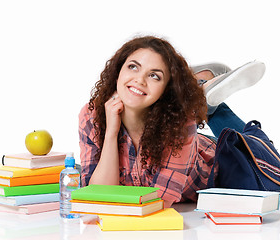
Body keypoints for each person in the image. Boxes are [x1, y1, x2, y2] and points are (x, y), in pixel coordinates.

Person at [78, 36, 265, 208]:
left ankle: (200, 94)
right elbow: (98, 196)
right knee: (192, 106)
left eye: (154, 75)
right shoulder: (92, 115)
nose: (139, 80)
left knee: (258, 152)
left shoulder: (181, 124)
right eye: (133, 67)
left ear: (165, 90)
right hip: (192, 141)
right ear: (118, 71)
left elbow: (160, 201)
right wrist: (111, 131)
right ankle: (197, 88)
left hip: (230, 164)